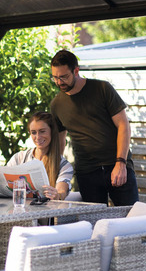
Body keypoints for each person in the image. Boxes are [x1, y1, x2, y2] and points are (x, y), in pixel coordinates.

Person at [50, 49, 139, 206]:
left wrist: (121, 163)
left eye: (64, 77)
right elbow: (59, 142)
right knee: (93, 223)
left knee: (131, 219)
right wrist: (54, 172)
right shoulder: (56, 104)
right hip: (86, 173)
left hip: (117, 165)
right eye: (55, 78)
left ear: (76, 71)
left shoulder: (102, 89)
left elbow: (123, 125)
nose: (59, 82)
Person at [7, 111, 73, 200]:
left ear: (52, 132)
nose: (38, 137)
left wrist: (57, 195)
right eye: (33, 132)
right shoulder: (18, 158)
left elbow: (61, 191)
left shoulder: (64, 165)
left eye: (42, 131)